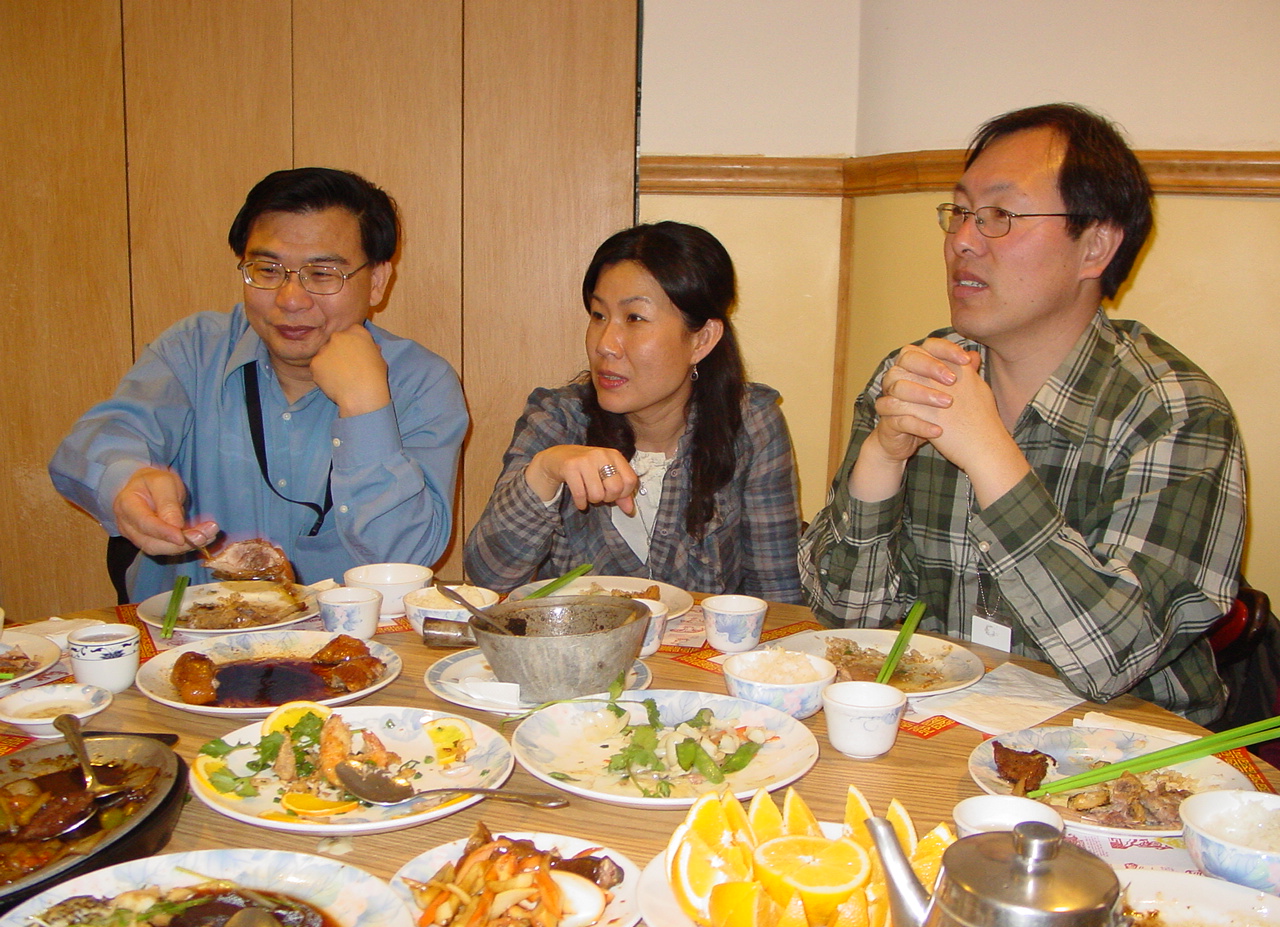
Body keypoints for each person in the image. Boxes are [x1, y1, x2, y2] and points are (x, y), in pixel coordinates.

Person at [799, 104, 1246, 724]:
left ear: (1095, 246)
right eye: (960, 212)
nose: (962, 240)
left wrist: (990, 454)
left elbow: (1114, 658)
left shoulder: (1174, 412)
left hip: (1123, 750)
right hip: (947, 734)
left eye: (1001, 216)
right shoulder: (919, 377)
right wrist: (881, 459)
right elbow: (846, 620)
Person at [50, 167, 468, 600]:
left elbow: (406, 557)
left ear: (377, 282)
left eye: (322, 274)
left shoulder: (420, 382)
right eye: (268, 270)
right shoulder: (195, 350)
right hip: (188, 632)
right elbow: (97, 441)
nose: (290, 299)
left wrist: (365, 407)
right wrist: (126, 479)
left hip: (344, 636)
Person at [464, 221, 803, 601]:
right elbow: (488, 579)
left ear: (702, 339)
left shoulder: (751, 424)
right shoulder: (558, 418)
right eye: (598, 315)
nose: (605, 344)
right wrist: (545, 470)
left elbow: (777, 595)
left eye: (635, 318)